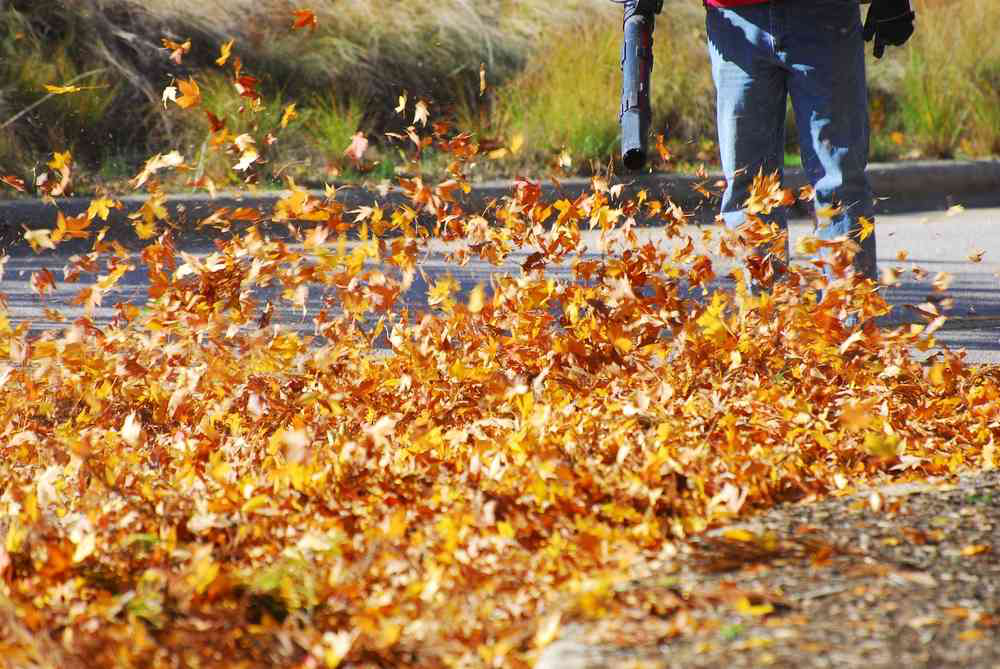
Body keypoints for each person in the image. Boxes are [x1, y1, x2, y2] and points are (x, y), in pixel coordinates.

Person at [704, 0, 916, 283]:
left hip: (824, 14)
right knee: (749, 188)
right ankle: (762, 320)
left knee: (839, 183)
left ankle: (848, 319)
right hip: (732, 18)